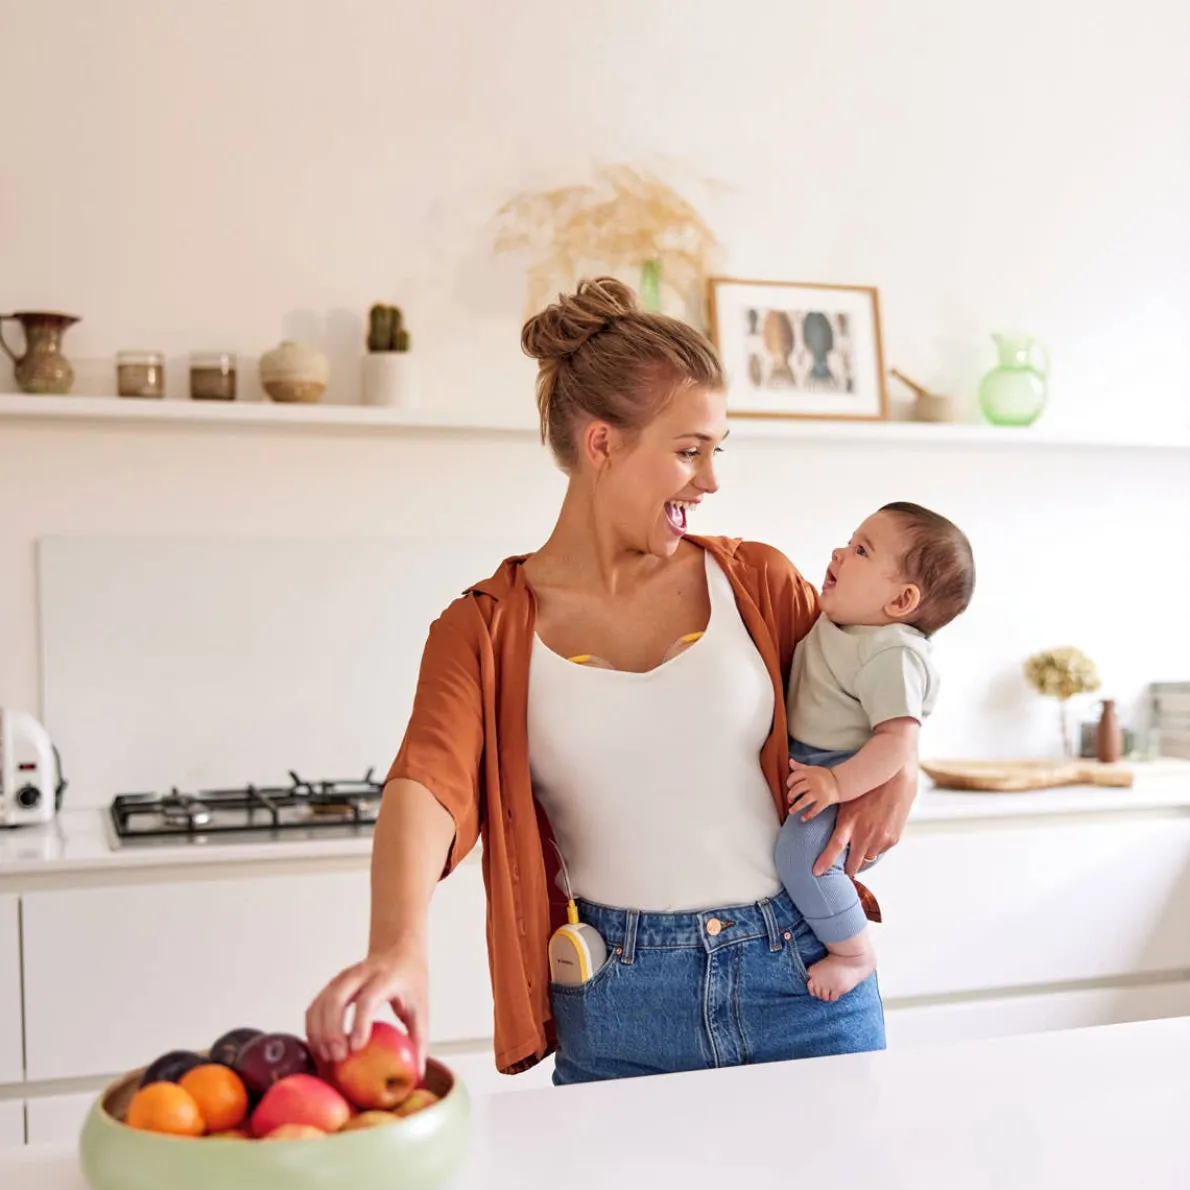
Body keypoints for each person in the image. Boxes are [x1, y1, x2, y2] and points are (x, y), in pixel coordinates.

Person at [305, 277, 919, 1085]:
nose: (710, 481)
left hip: (801, 981)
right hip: (622, 1000)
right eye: (688, 450)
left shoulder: (759, 584)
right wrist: (398, 948)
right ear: (602, 445)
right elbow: (426, 785)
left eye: (716, 451)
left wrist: (904, 761)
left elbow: (874, 681)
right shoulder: (486, 629)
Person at [779, 503, 975, 1002]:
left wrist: (837, 784)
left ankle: (854, 953)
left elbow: (896, 741)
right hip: (815, 763)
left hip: (844, 772)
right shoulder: (844, 624)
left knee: (804, 858)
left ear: (901, 599)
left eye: (862, 550)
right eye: (851, 541)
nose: (840, 553)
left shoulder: (892, 650)